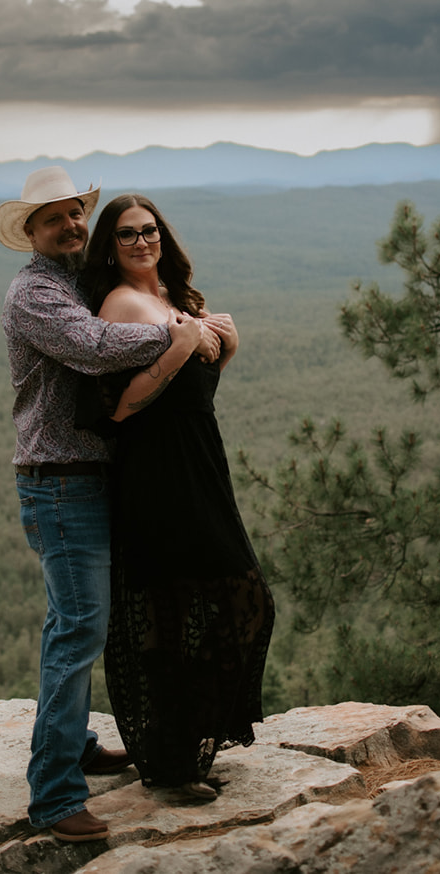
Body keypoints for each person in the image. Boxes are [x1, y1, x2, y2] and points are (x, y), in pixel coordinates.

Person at [0, 166, 211, 843]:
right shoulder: (34, 293)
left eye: (74, 213)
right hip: (60, 481)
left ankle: (78, 745)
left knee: (74, 622)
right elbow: (92, 349)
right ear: (29, 230)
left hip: (91, 477)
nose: (69, 225)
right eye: (53, 218)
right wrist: (182, 333)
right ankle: (55, 797)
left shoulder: (74, 282)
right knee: (80, 628)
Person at [80, 193, 276, 804]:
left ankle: (181, 748)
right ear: (109, 250)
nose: (142, 242)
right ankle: (167, 763)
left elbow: (193, 391)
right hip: (157, 475)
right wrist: (182, 346)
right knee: (184, 607)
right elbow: (119, 405)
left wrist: (226, 346)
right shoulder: (120, 304)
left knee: (214, 599)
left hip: (198, 463)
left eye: (149, 230)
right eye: (126, 235)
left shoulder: (172, 300)